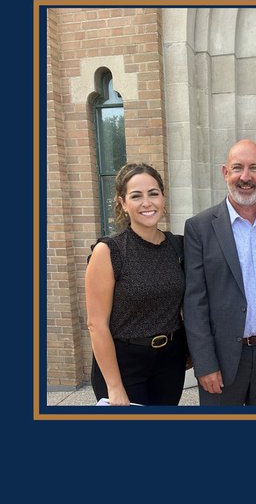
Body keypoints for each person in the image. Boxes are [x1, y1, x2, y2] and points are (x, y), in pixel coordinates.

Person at [183, 140, 256, 407]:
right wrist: (205, 363)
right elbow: (194, 302)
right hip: (221, 360)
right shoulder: (200, 228)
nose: (245, 177)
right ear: (225, 172)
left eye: (253, 168)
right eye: (237, 168)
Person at [84, 163, 188, 405]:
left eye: (153, 193)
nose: (147, 203)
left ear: (163, 198)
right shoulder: (109, 251)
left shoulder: (177, 246)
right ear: (122, 203)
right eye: (136, 196)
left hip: (170, 362)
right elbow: (96, 324)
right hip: (124, 364)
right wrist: (114, 387)